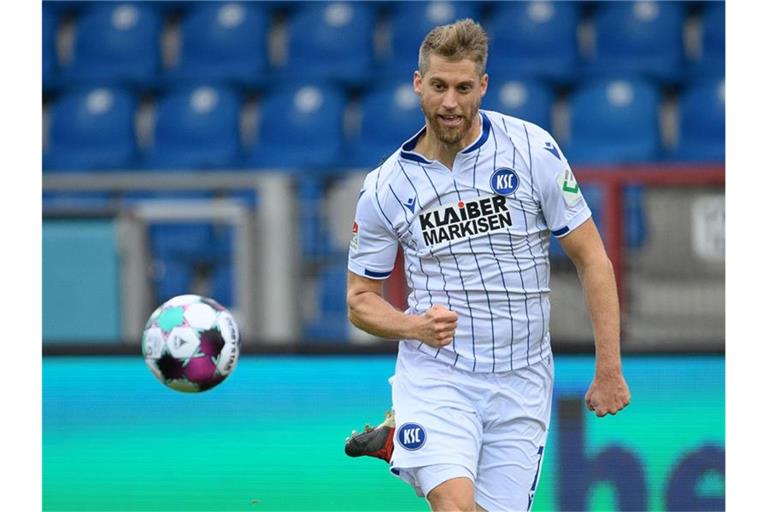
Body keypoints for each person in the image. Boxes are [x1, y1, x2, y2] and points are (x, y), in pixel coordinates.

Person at [344, 18, 630, 512]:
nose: (449, 102)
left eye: (462, 87)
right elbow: (359, 300)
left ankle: (400, 445)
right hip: (439, 375)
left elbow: (592, 259)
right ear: (418, 85)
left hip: (522, 378)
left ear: (483, 86)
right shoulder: (386, 186)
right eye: (437, 86)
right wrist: (414, 326)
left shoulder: (531, 149)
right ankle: (417, 443)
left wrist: (609, 367)